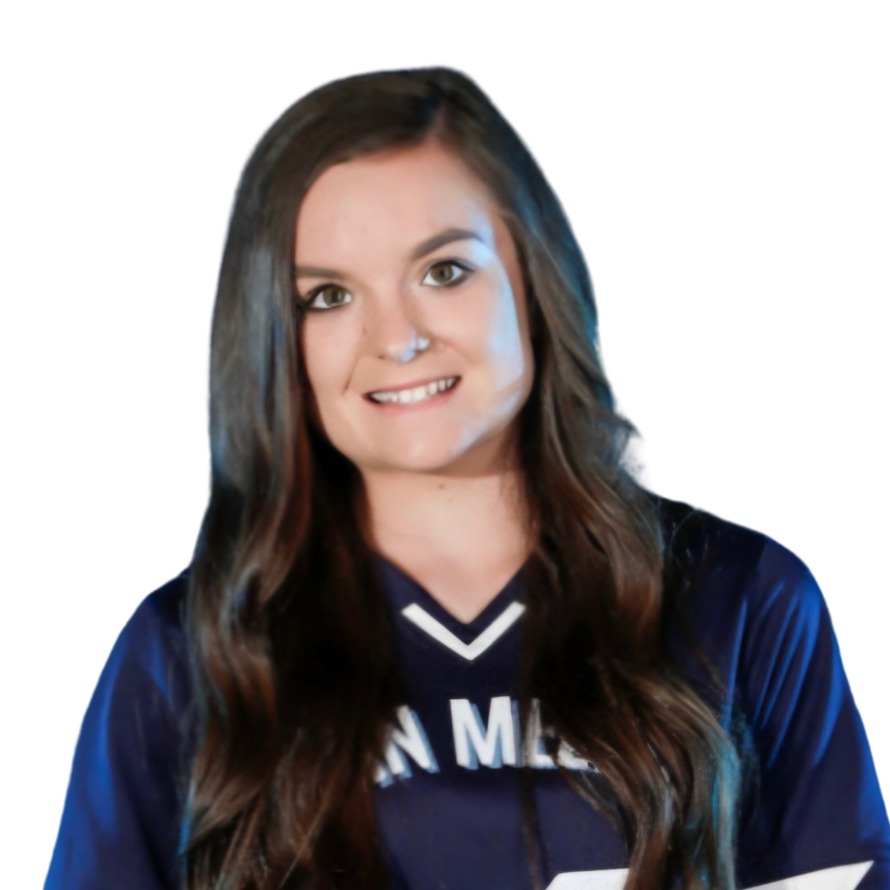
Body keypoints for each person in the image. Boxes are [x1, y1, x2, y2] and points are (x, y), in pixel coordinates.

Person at [45, 68, 890, 890]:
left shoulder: (739, 597)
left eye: (444, 271)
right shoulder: (188, 652)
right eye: (328, 296)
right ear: (273, 339)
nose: (397, 337)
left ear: (534, 277)